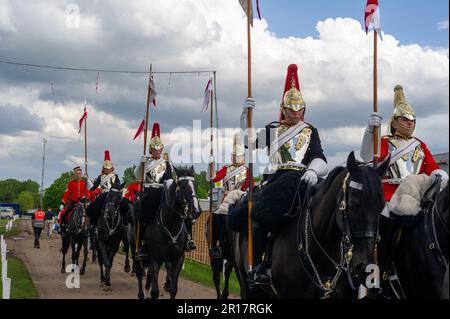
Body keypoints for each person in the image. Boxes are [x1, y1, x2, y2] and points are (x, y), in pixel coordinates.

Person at [233, 64, 328, 286]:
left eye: (299, 109)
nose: (296, 113)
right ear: (283, 109)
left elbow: (319, 156)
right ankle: (258, 266)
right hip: (276, 179)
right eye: (291, 109)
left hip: (304, 179)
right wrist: (244, 116)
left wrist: (313, 170)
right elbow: (249, 144)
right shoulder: (273, 128)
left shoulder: (310, 130)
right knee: (260, 217)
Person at [360, 84, 449, 290]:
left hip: (418, 195)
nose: (410, 124)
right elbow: (366, 157)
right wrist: (369, 131)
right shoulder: (384, 142)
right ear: (394, 122)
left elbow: (434, 168)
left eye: (412, 120)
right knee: (381, 231)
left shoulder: (420, 145)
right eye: (405, 120)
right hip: (389, 197)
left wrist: (439, 175)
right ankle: (376, 273)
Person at [133, 122, 195, 260]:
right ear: (150, 149)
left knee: (181, 209)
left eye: (159, 149)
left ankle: (188, 239)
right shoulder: (146, 162)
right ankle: (142, 244)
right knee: (141, 212)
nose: (157, 151)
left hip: (163, 191)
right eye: (154, 149)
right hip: (150, 191)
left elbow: (169, 179)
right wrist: (141, 164)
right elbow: (138, 176)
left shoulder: (166, 164)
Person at [207, 132, 252, 258]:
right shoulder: (226, 169)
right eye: (235, 156)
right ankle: (215, 246)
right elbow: (213, 178)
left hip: (241, 198)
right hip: (226, 200)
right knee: (216, 217)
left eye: (239, 156)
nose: (237, 158)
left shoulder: (247, 171)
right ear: (232, 156)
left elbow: (251, 186)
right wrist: (211, 165)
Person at [85, 150, 120, 230]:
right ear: (103, 169)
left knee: (126, 206)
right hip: (104, 195)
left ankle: (125, 227)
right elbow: (93, 187)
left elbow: (118, 186)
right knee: (90, 209)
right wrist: (87, 179)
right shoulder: (100, 177)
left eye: (109, 169)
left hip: (113, 195)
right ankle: (91, 227)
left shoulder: (115, 176)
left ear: (112, 168)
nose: (107, 170)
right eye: (106, 169)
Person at [58, 166, 88, 233]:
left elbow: (89, 192)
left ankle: (90, 228)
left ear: (82, 174)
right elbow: (66, 193)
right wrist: (63, 203)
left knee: (90, 213)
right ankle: (61, 226)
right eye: (77, 173)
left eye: (80, 173)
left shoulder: (85, 183)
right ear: (75, 174)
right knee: (65, 212)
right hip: (73, 202)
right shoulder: (70, 183)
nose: (78, 175)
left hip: (83, 203)